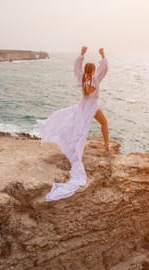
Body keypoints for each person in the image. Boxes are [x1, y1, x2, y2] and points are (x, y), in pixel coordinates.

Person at [38, 46, 109, 201]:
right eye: (94, 69)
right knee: (85, 130)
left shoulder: (86, 77)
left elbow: (81, 67)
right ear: (92, 70)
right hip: (88, 107)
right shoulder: (90, 79)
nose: (96, 70)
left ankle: (106, 145)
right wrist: (98, 58)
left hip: (87, 107)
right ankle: (104, 146)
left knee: (94, 126)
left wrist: (83, 54)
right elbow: (91, 87)